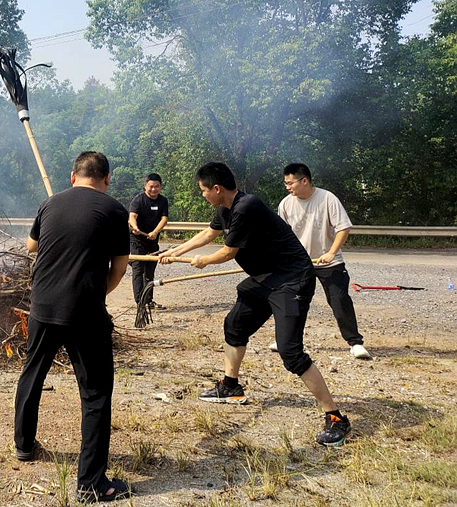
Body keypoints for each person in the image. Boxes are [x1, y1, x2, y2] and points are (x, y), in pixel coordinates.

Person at [158, 162, 351, 446]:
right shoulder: (225, 208)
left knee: (290, 352)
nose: (202, 195)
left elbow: (226, 252)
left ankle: (336, 418)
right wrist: (175, 251)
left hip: (291, 280)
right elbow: (209, 234)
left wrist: (202, 261)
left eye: (202, 191)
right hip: (265, 278)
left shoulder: (246, 207)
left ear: (216, 188)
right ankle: (230, 386)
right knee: (234, 325)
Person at [14, 151, 131, 503]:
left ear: (72, 176)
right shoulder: (114, 210)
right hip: (85, 313)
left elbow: (32, 245)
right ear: (107, 178)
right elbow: (120, 268)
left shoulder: (50, 203)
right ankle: (91, 484)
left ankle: (23, 445)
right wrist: (96, 295)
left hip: (42, 306)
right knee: (95, 395)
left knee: (32, 373)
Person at [277, 163, 370, 359]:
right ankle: (286, 340)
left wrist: (331, 252)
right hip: (300, 263)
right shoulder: (285, 204)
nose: (287, 187)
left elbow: (343, 228)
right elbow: (282, 235)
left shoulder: (327, 199)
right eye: (285, 183)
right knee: (292, 301)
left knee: (339, 300)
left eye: (290, 183)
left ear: (304, 180)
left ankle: (355, 343)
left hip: (329, 262)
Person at [128, 173, 169, 309]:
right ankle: (140, 301)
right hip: (137, 240)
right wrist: (135, 227)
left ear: (160, 187)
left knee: (150, 272)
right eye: (151, 186)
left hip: (152, 241)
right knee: (138, 269)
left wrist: (155, 232)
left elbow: (164, 219)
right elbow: (132, 216)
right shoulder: (138, 200)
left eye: (156, 186)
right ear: (145, 186)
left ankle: (148, 300)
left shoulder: (162, 201)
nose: (153, 189)